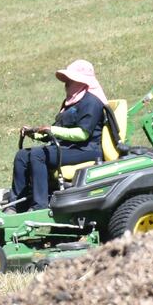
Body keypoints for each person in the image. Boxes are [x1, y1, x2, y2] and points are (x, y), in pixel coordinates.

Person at [10, 59, 110, 211]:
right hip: (68, 147)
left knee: (38, 155)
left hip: (87, 150)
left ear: (81, 82)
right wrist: (34, 133)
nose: (66, 84)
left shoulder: (92, 102)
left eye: (70, 80)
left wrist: (52, 130)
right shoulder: (71, 102)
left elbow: (82, 134)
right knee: (22, 155)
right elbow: (57, 130)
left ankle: (40, 206)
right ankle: (17, 204)